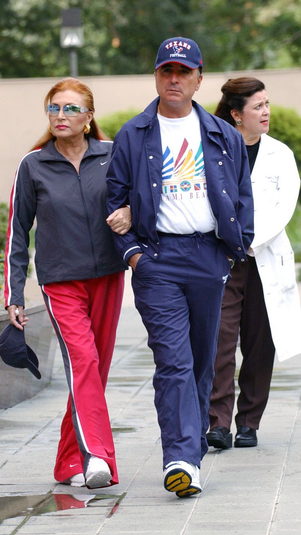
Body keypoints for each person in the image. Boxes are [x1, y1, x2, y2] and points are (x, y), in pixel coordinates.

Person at [106, 37, 254, 497]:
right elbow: (114, 201)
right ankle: (181, 458)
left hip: (209, 258)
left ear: (198, 78)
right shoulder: (134, 134)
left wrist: (232, 252)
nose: (174, 79)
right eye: (166, 71)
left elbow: (243, 198)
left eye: (183, 71)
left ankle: (189, 447)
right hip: (158, 260)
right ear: (156, 76)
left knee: (201, 363)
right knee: (173, 361)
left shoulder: (221, 134)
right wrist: (133, 255)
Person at [4, 77, 131, 490]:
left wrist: (130, 212)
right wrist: (14, 293)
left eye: (71, 108)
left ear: (89, 117)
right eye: (54, 108)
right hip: (61, 282)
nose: (61, 115)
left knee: (93, 373)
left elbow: (142, 200)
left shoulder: (112, 156)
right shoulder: (33, 164)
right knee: (84, 364)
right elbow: (17, 231)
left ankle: (66, 463)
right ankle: (98, 458)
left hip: (109, 276)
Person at [206, 77, 301, 451]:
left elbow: (284, 208)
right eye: (258, 106)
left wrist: (247, 241)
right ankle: (217, 422)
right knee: (219, 341)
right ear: (236, 114)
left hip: (262, 257)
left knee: (260, 343)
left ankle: (248, 421)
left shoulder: (280, 154)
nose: (266, 112)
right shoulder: (213, 150)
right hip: (222, 260)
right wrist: (229, 243)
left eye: (267, 104)